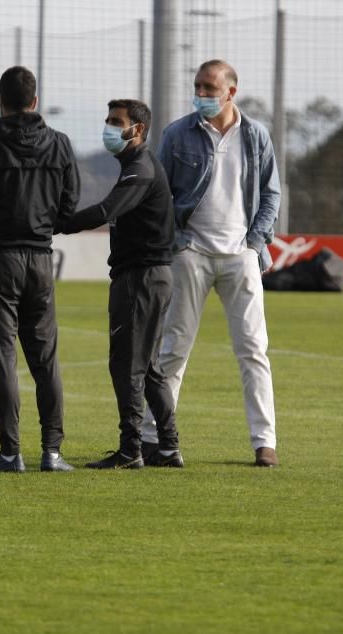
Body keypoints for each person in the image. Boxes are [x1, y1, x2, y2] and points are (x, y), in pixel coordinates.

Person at [142, 59, 282, 467]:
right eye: (198, 86)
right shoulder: (176, 134)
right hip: (191, 255)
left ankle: (265, 443)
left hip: (241, 257)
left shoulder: (256, 136)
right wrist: (178, 243)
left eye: (209, 87)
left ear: (231, 92)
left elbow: (271, 194)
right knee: (173, 350)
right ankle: (154, 438)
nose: (201, 94)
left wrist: (255, 244)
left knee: (254, 351)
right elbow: (159, 194)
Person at [0, 66, 80, 473]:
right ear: (36, 101)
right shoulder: (60, 145)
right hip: (41, 260)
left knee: (2, 357)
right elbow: (68, 208)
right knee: (45, 358)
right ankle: (53, 451)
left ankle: (11, 452)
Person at [56, 99, 181, 470]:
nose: (108, 127)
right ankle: (169, 447)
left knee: (126, 365)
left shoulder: (139, 168)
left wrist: (54, 223)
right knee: (151, 367)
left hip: (140, 278)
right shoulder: (136, 166)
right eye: (107, 120)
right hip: (153, 277)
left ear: (137, 129)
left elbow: (104, 211)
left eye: (116, 122)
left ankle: (130, 449)